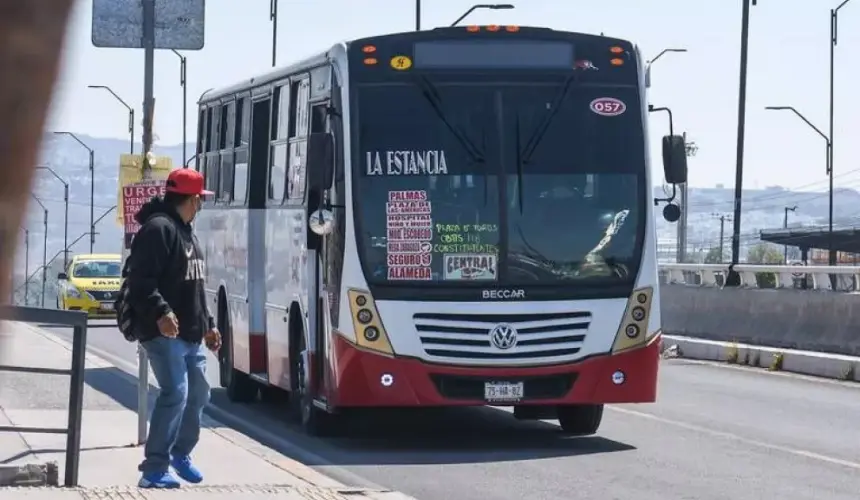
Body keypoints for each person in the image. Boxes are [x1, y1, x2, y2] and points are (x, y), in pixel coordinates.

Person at [126, 168, 222, 489]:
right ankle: (154, 469)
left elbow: (194, 286)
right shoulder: (158, 230)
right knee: (175, 393)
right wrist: (161, 312)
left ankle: (180, 453)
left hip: (191, 334)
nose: (200, 205)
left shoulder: (185, 231)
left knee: (198, 393)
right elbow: (140, 282)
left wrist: (208, 325)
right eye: (200, 200)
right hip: (163, 333)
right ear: (193, 199)